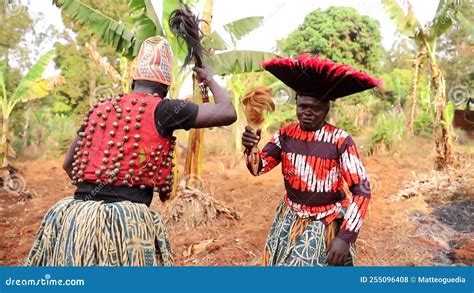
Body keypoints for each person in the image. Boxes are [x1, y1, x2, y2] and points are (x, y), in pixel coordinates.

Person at [26, 36, 237, 266]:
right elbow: (227, 112)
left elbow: (69, 164)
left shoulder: (100, 110)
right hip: (126, 225)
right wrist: (209, 79)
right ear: (165, 87)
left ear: (133, 81)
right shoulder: (165, 109)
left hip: (76, 220)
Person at [242, 54, 381, 266]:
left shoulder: (341, 141)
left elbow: (362, 192)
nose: (308, 113)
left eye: (315, 108)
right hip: (290, 218)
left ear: (327, 109)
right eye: (303, 106)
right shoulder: (284, 135)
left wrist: (344, 237)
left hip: (324, 221)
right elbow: (258, 168)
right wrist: (251, 148)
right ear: (296, 104)